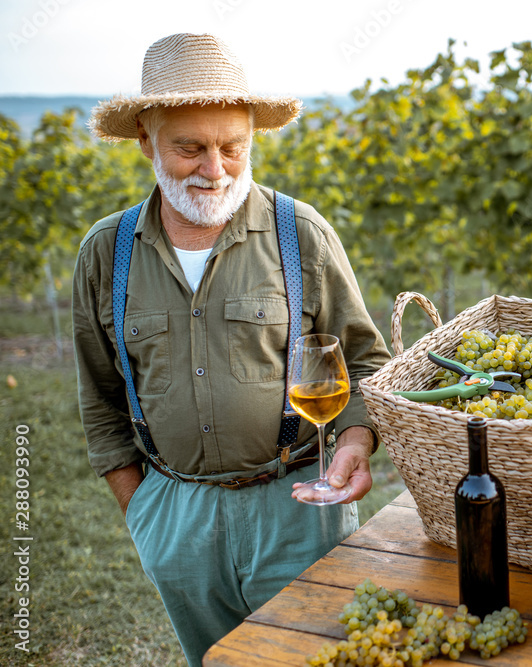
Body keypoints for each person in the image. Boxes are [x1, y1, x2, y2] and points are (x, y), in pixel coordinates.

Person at [73, 33, 391, 665]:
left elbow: (366, 363)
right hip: (175, 516)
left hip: (299, 506)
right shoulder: (106, 253)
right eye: (190, 147)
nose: (215, 169)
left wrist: (354, 445)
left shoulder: (300, 233)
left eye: (232, 147)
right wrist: (145, 514)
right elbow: (100, 399)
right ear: (146, 138)